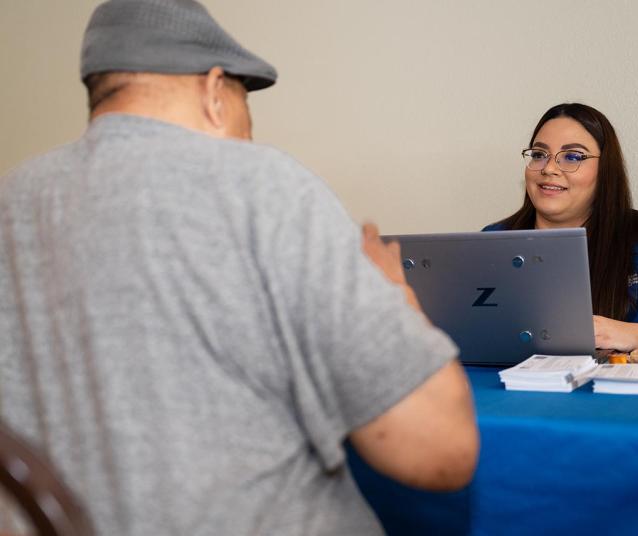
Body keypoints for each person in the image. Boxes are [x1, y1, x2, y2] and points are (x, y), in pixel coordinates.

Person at [0, 1, 478, 534]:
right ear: (213, 90)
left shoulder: (12, 201)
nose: (248, 135)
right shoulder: (259, 183)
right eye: (246, 108)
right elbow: (441, 448)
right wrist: (394, 295)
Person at [485, 102, 638, 351]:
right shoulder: (492, 241)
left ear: (606, 170)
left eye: (573, 157)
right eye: (538, 154)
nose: (549, 168)